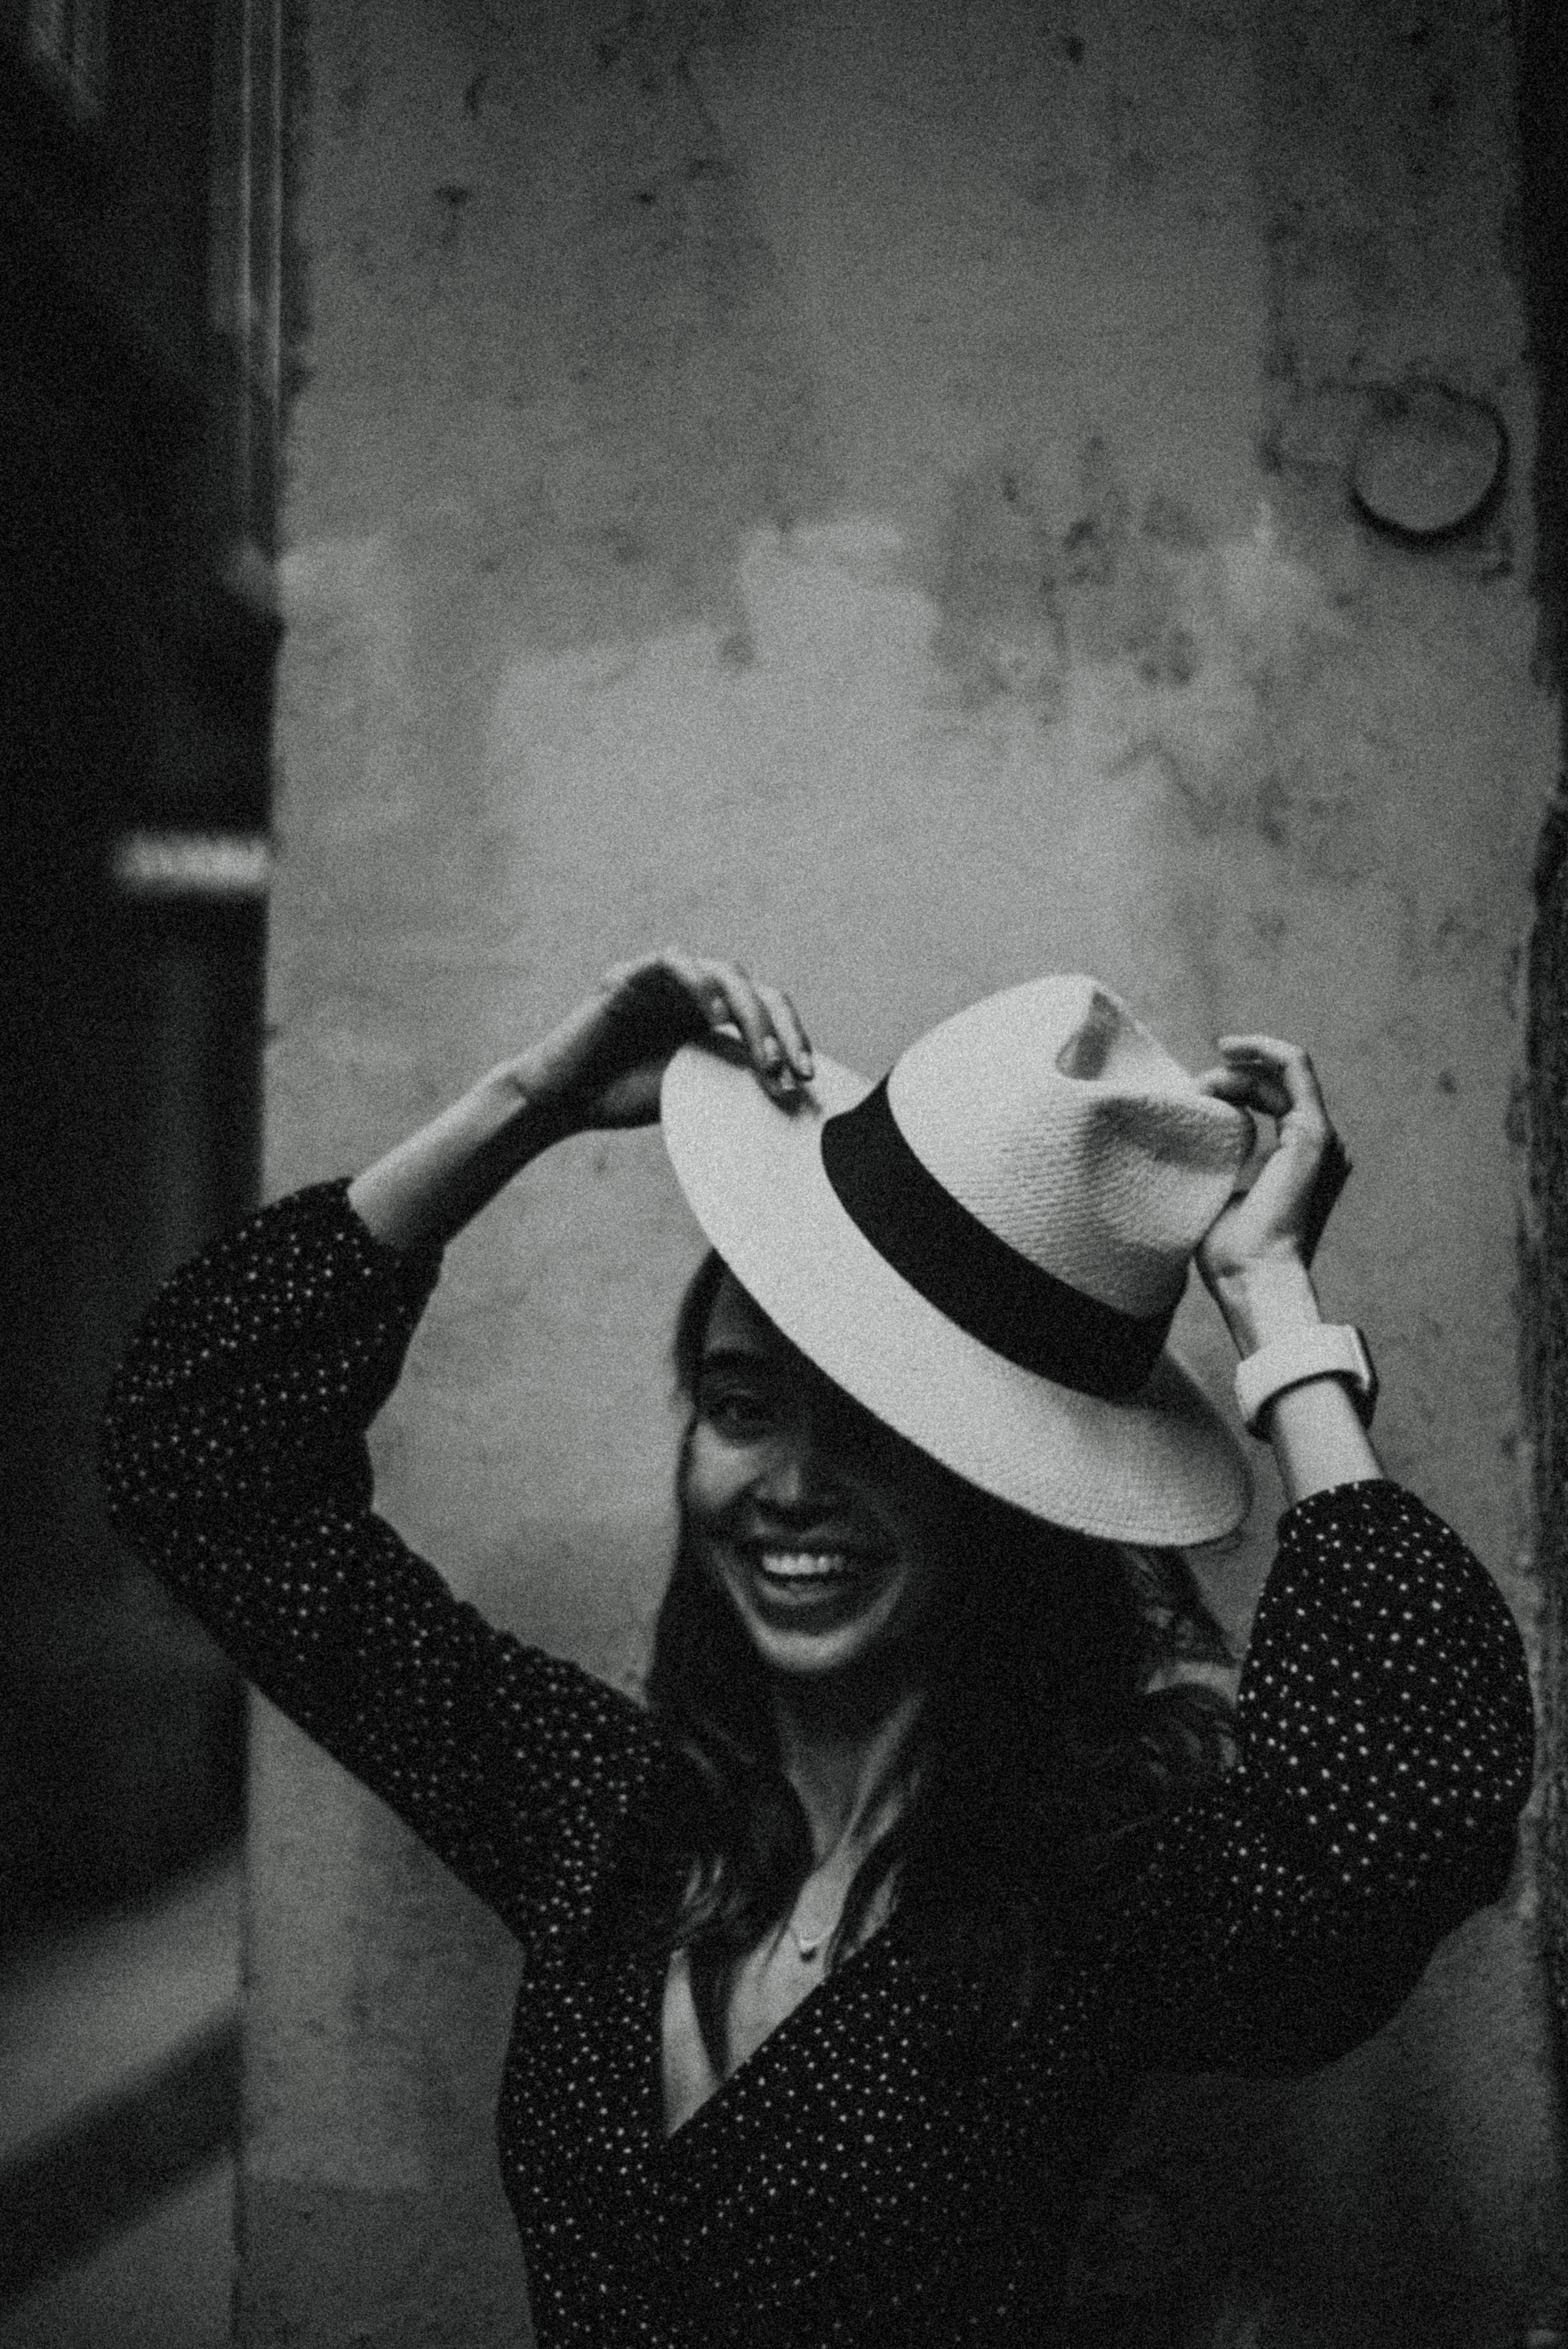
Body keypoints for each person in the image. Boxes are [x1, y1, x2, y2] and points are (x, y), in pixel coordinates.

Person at [100, 951, 1535, 2348]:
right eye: (740, 1406)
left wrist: (1274, 1303)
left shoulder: (1095, 1890)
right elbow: (196, 1460)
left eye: (876, 1427)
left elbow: (1403, 1819)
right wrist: (526, 1104)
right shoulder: (605, 1817)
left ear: (1002, 1497)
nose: (789, 1486)